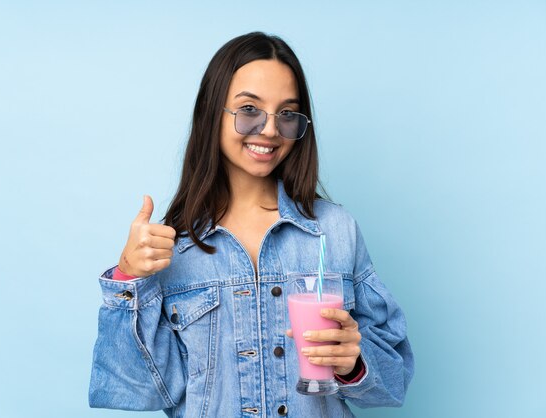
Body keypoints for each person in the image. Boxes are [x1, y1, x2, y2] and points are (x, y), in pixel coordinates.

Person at [88, 32, 414, 417]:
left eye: (287, 114)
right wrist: (128, 279)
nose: (271, 129)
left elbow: (393, 382)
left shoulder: (334, 230)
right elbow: (135, 391)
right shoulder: (169, 247)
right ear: (212, 112)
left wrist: (354, 363)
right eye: (249, 110)